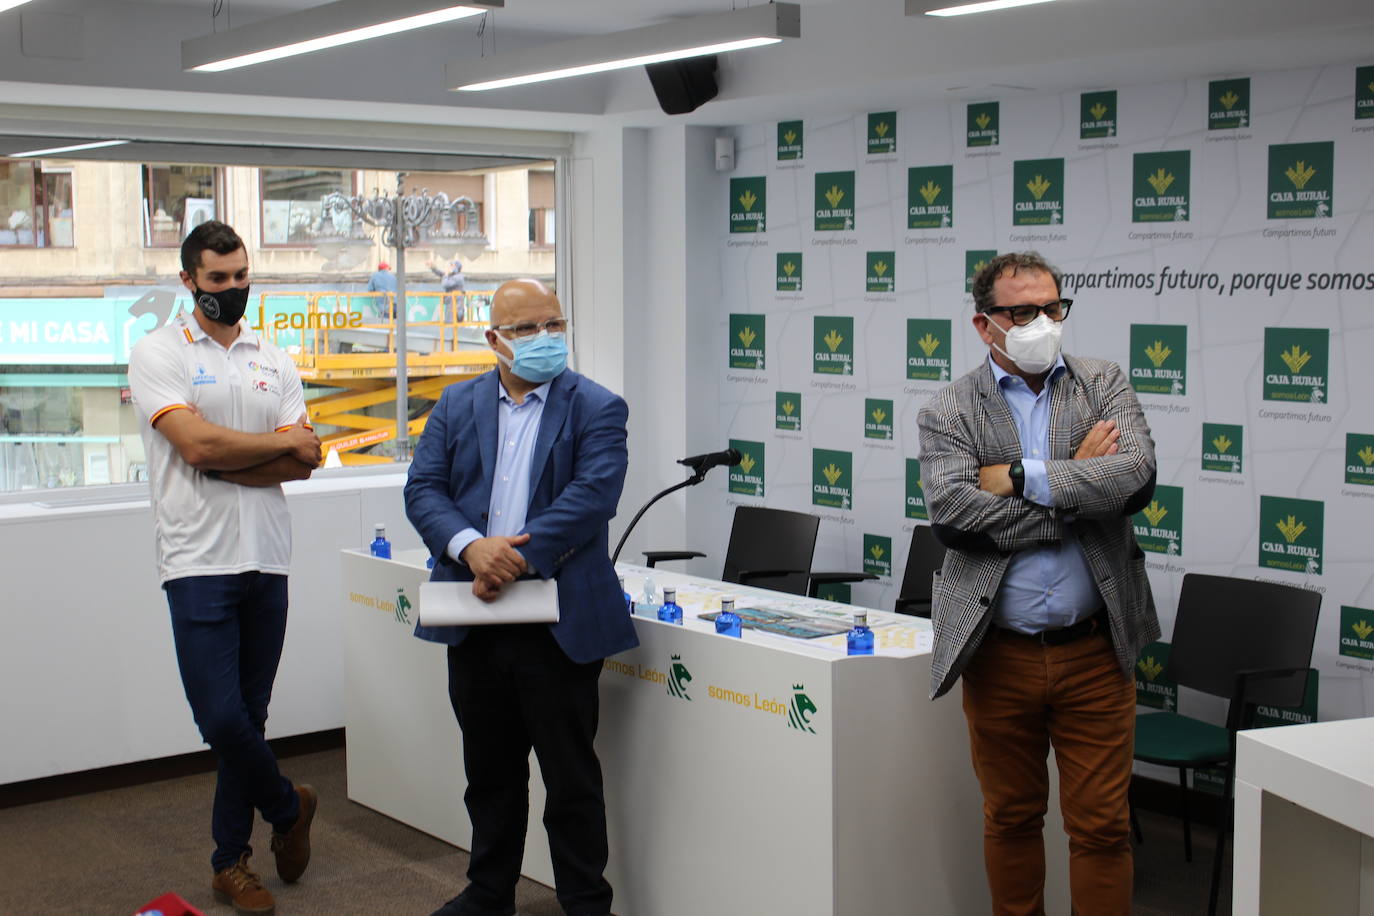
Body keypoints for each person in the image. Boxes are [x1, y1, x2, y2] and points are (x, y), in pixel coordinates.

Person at [916, 251, 1159, 915]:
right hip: (999, 654)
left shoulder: (1102, 382)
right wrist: (1075, 486)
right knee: (1012, 819)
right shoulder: (949, 409)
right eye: (1022, 312)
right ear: (983, 324)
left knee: (1103, 828)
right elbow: (958, 518)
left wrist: (1021, 477)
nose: (1043, 322)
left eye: (1053, 308)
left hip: (1095, 653)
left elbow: (1134, 478)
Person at [405, 278, 635, 916]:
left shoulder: (598, 407)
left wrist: (512, 559)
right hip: (474, 616)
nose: (544, 339)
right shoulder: (454, 405)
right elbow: (423, 489)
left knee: (571, 779)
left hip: (557, 622)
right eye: (527, 329)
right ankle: (489, 891)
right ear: (495, 340)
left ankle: (585, 901)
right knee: (489, 773)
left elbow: (592, 498)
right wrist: (471, 548)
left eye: (552, 324)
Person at [128, 221, 323, 915]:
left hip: (267, 556)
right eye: (218, 280)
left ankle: (229, 865)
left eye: (241, 276)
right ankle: (286, 805)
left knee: (252, 716)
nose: (233, 289)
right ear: (188, 281)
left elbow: (303, 460)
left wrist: (234, 455)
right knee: (220, 718)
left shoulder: (274, 356)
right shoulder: (158, 352)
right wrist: (257, 451)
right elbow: (196, 445)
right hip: (196, 558)